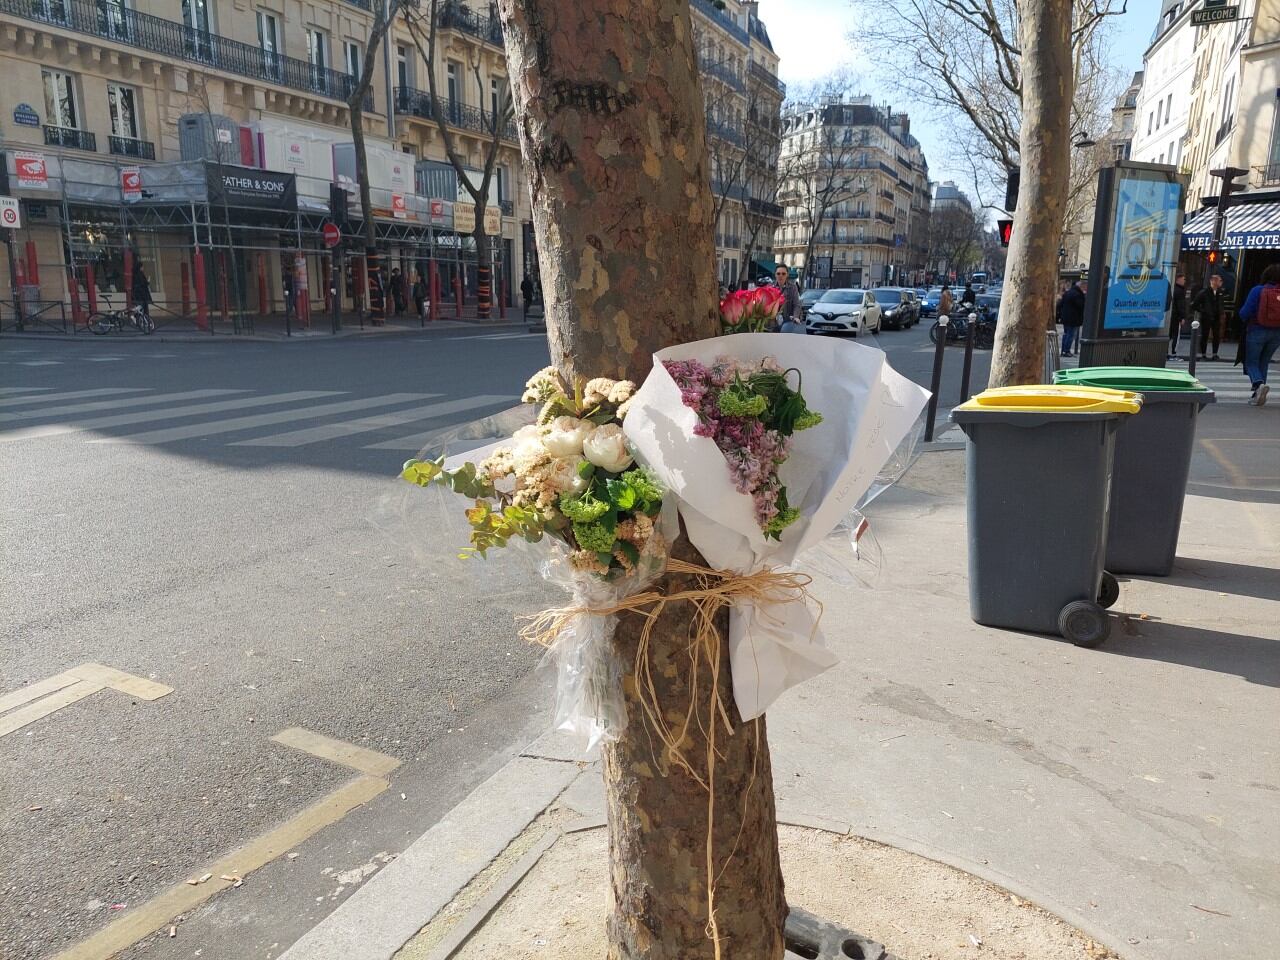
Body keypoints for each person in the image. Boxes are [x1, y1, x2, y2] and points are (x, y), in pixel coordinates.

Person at [1236, 263, 1280, 406]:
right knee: (1264, 362)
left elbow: (1244, 312)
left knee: (1251, 362)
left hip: (1257, 329)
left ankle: (1258, 384)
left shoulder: (1258, 290)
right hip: (1277, 333)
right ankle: (1258, 395)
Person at [1192, 274, 1226, 361]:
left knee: (1216, 336)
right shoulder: (1204, 292)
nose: (1221, 282)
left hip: (1216, 317)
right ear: (1213, 281)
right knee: (1205, 335)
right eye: (1219, 281)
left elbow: (1220, 304)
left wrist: (1221, 312)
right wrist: (1203, 311)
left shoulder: (1220, 292)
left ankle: (1215, 354)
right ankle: (1203, 354)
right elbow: (1194, 304)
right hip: (1207, 317)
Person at [1058, 278, 1086, 357]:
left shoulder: (1068, 293)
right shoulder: (1078, 294)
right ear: (1081, 286)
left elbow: (1060, 304)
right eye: (1084, 287)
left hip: (1066, 317)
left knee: (1066, 334)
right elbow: (1081, 305)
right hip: (1073, 318)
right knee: (1070, 335)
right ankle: (1066, 351)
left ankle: (1064, 350)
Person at [774, 265, 804, 334]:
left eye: (783, 274)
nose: (780, 276)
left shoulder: (793, 288)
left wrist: (795, 317)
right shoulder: (771, 288)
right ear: (775, 275)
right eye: (778, 273)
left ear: (787, 275)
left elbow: (797, 304)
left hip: (788, 321)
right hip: (773, 322)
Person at [1169, 272, 1189, 359]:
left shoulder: (1172, 289)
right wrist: (1182, 317)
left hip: (1170, 316)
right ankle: (1173, 353)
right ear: (1178, 279)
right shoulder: (1180, 291)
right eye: (1183, 279)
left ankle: (1168, 353)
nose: (1185, 281)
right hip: (1176, 316)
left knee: (1170, 335)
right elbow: (1180, 305)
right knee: (1175, 335)